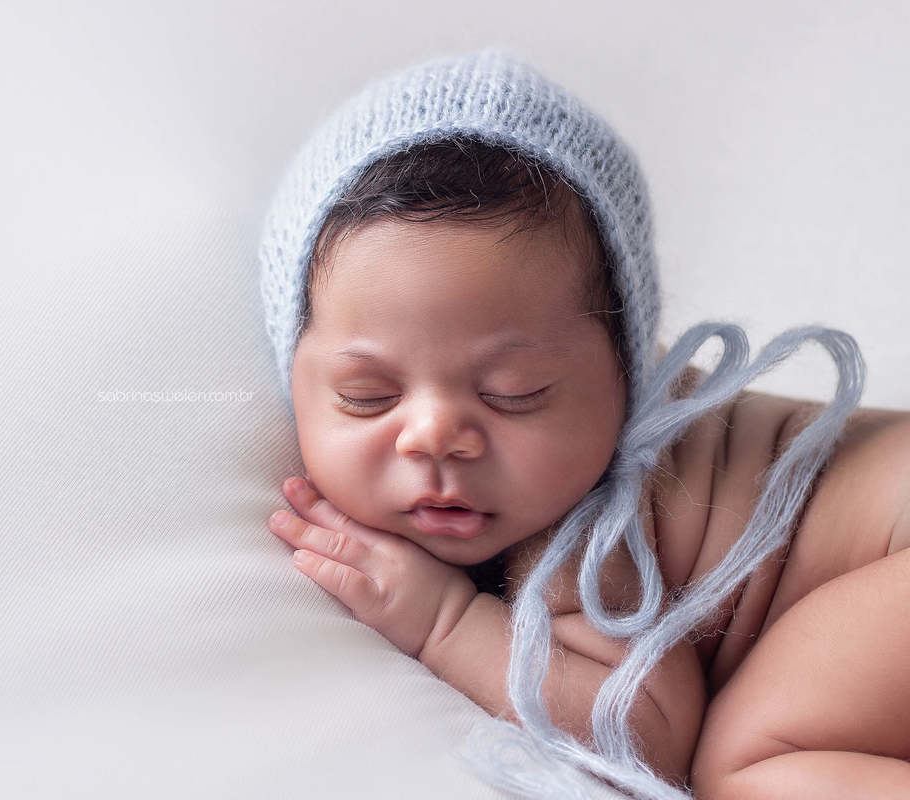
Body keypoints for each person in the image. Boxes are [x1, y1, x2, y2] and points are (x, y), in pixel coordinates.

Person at [258, 49, 910, 799]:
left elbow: (644, 732)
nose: (434, 436)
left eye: (514, 392)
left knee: (750, 764)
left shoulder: (586, 526)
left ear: (628, 373)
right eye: (368, 395)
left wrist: (444, 623)